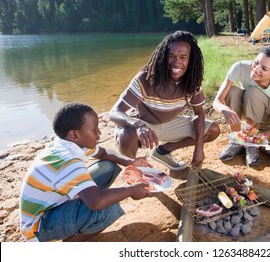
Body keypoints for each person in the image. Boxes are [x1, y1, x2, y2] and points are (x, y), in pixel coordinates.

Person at [19, 102, 152, 242]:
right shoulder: (67, 161)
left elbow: (104, 153)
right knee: (107, 209)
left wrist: (130, 162)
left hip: (56, 203)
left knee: (108, 167)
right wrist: (131, 191)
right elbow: (97, 202)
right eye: (94, 129)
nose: (99, 133)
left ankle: (79, 213)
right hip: (39, 226)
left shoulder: (69, 143)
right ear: (74, 134)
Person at [109, 30, 220, 171]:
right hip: (143, 124)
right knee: (126, 135)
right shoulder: (146, 78)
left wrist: (199, 148)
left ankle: (163, 151)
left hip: (168, 124)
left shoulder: (192, 82)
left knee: (213, 130)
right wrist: (138, 125)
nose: (176, 62)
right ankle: (134, 169)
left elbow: (198, 113)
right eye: (171, 56)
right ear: (163, 56)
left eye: (183, 57)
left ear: (190, 60)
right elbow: (114, 112)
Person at [213, 46, 270, 166]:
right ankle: (237, 139)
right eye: (256, 62)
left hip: (265, 114)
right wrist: (224, 109)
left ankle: (250, 145)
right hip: (247, 107)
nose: (256, 69)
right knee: (232, 91)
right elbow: (217, 101)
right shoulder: (239, 67)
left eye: (264, 68)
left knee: (254, 92)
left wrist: (256, 140)